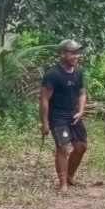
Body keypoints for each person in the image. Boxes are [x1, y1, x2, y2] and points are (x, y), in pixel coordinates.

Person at [40, 40, 88, 192]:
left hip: (73, 115)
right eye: (72, 53)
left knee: (81, 147)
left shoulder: (78, 72)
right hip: (58, 116)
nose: (76, 56)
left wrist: (80, 111)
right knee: (62, 148)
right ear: (62, 54)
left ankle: (69, 176)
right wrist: (45, 123)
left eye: (77, 53)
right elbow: (44, 99)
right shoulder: (52, 75)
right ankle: (62, 184)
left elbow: (81, 93)